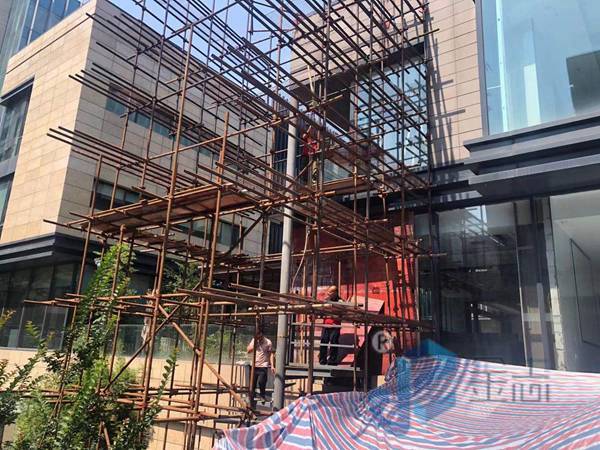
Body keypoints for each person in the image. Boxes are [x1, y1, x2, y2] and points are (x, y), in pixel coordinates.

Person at [247, 326, 274, 403]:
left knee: (262, 382)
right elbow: (248, 350)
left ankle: (262, 396)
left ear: (262, 335)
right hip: (254, 365)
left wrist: (272, 365)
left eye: (260, 337)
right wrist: (255, 344)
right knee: (252, 383)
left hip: (263, 365)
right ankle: (251, 396)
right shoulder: (254, 340)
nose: (259, 339)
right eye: (257, 337)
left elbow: (271, 354)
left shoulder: (268, 342)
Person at [319, 285, 344, 366]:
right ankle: (322, 360)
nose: (328, 293)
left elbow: (343, 312)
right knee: (323, 342)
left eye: (330, 292)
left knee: (334, 343)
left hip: (335, 325)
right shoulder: (326, 300)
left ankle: (332, 361)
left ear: (335, 292)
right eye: (328, 291)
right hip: (326, 325)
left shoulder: (340, 301)